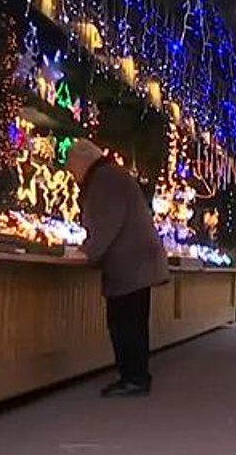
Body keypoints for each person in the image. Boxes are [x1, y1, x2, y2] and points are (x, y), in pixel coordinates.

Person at [65, 140, 170, 398]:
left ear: (82, 162)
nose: (72, 173)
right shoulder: (111, 175)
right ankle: (134, 375)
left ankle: (133, 378)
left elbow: (106, 223)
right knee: (132, 320)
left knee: (125, 322)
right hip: (136, 262)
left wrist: (87, 251)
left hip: (130, 264)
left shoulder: (104, 179)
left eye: (72, 167)